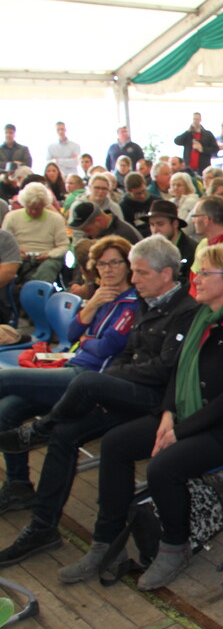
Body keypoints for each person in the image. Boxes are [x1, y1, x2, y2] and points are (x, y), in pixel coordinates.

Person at [58, 245, 223, 590]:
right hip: (192, 414)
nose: (196, 280)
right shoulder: (202, 318)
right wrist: (168, 414)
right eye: (197, 272)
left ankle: (175, 546)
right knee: (115, 444)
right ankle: (105, 541)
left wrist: (181, 430)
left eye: (205, 273)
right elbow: (179, 372)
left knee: (163, 466)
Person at [0, 236, 199, 565]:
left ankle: (39, 431)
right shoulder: (145, 301)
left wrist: (109, 377)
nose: (133, 278)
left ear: (166, 273)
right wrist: (111, 376)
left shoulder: (182, 310)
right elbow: (117, 350)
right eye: (104, 265)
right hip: (111, 384)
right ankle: (41, 526)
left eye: (138, 272)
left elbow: (161, 368)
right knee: (57, 430)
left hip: (149, 398)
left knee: (62, 384)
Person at [0, 236, 139, 516]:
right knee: (6, 410)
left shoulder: (132, 302)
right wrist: (92, 304)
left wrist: (87, 340)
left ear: (128, 266)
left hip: (90, 380)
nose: (108, 269)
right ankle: (19, 486)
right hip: (70, 370)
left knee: (4, 379)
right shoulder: (102, 297)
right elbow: (73, 333)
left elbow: (108, 346)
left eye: (115, 263)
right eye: (102, 264)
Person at [2, 183, 67, 285]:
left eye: (37, 208)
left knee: (47, 269)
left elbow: (63, 246)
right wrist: (16, 252)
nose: (33, 211)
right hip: (19, 257)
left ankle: (34, 289)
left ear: (44, 205)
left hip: (48, 258)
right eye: (29, 207)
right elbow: (4, 244)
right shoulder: (11, 217)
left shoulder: (56, 219)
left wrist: (48, 255)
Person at [147, 200, 196, 278]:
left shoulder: (192, 251)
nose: (155, 230)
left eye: (160, 224)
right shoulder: (148, 248)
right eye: (152, 225)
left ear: (175, 224)